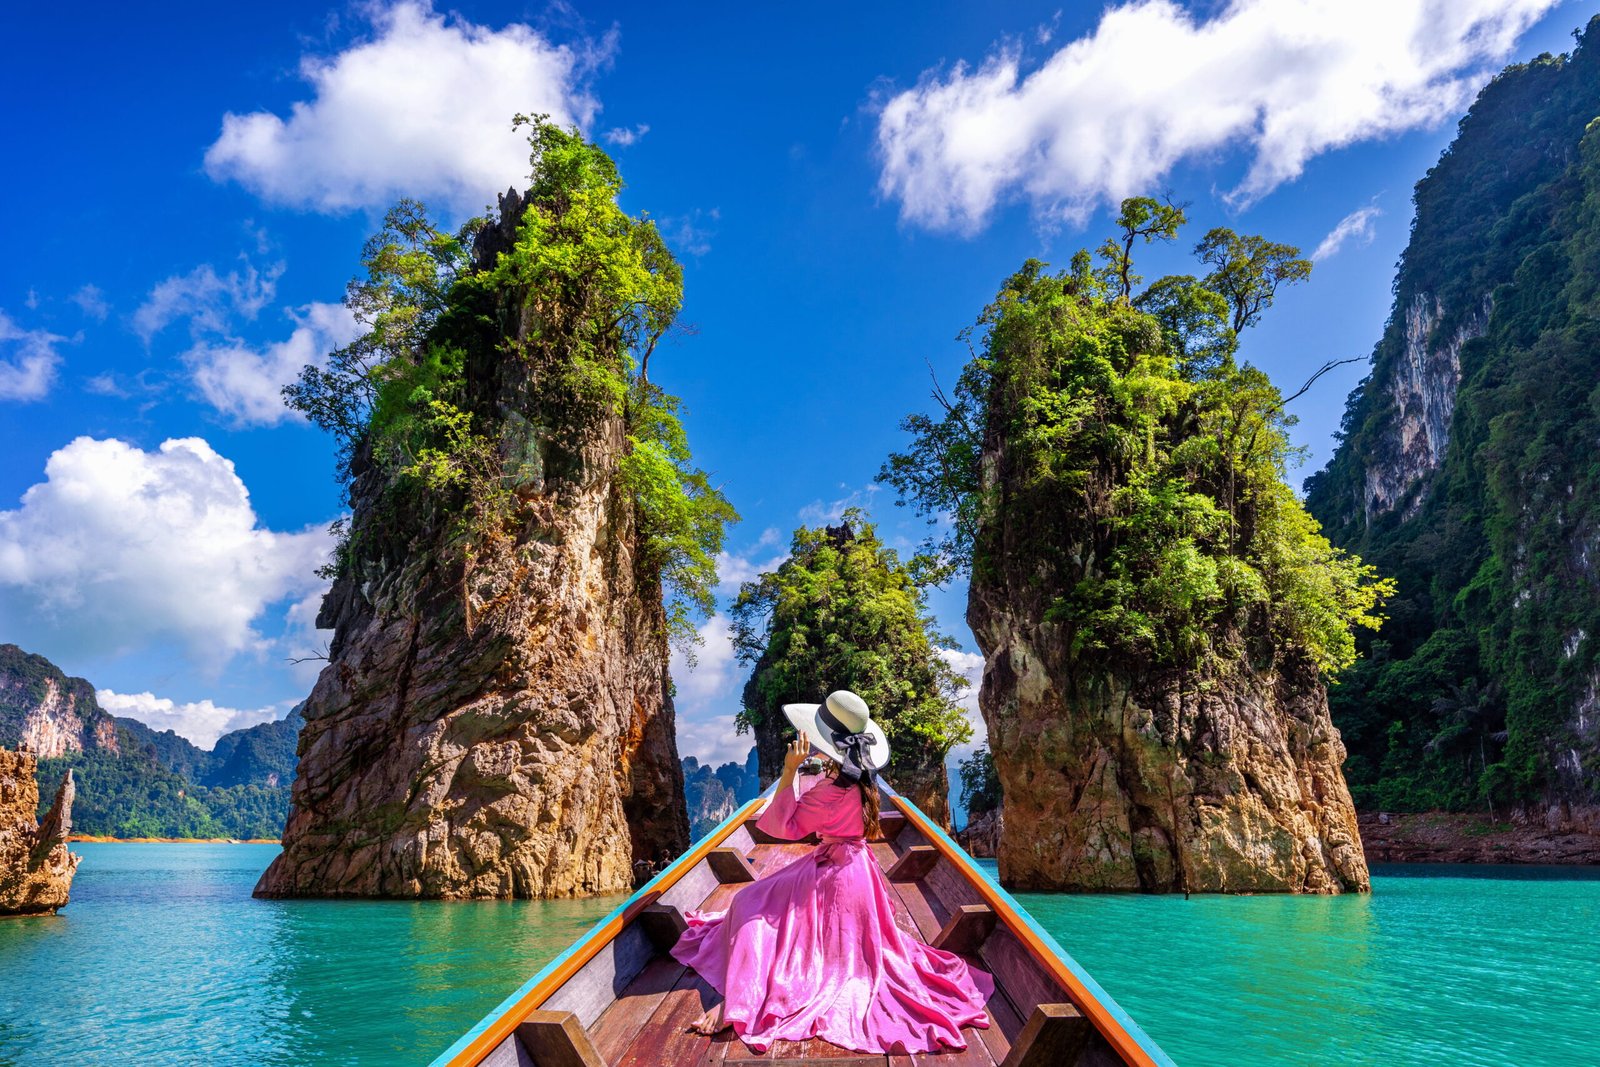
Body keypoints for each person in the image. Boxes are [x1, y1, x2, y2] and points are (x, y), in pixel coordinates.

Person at [670, 690, 994, 1055]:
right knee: (788, 914)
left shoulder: (829, 792)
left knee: (747, 905)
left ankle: (742, 1002)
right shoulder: (861, 780)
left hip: (831, 877)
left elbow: (782, 826)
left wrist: (791, 770)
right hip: (858, 871)